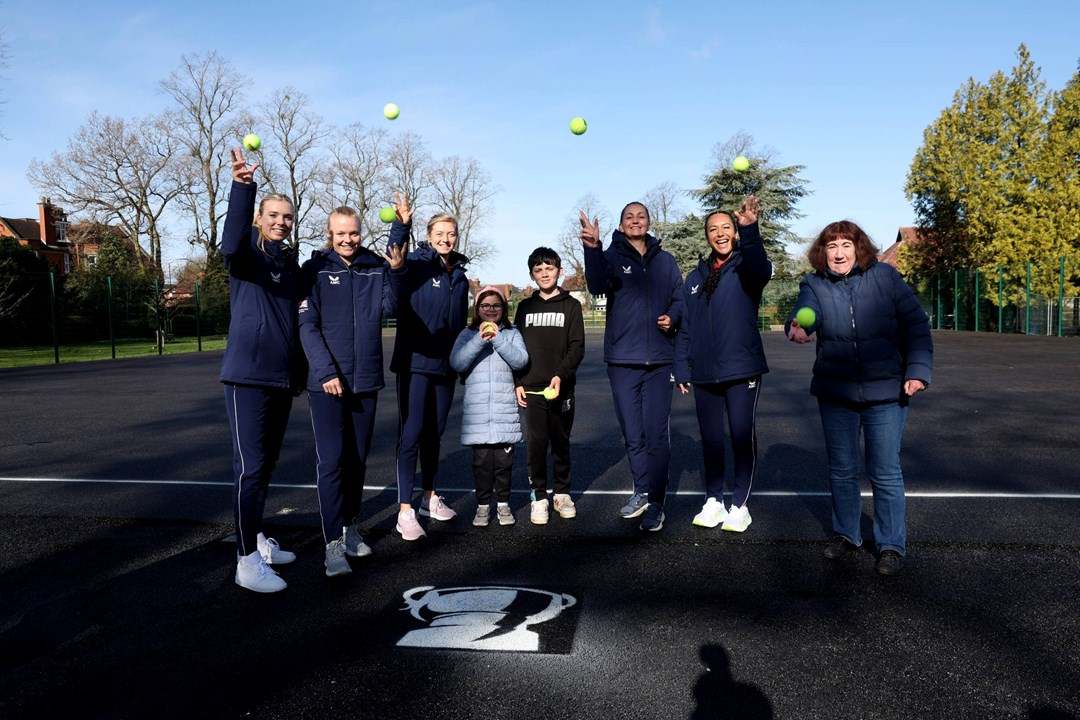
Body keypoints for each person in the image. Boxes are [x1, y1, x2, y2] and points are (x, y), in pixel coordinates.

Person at [786, 220, 932, 576]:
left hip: (886, 390)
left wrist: (917, 371)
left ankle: (891, 544)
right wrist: (800, 323)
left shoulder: (886, 278)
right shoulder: (814, 283)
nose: (839, 253)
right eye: (832, 246)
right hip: (836, 391)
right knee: (842, 470)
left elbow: (915, 325)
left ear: (859, 248)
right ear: (823, 252)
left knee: (885, 471)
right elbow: (808, 310)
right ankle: (847, 534)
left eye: (846, 245)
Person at [298, 207, 405, 577]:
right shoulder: (314, 270)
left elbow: (392, 305)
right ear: (329, 234)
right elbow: (307, 326)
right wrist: (325, 371)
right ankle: (331, 545)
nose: (347, 240)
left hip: (366, 381)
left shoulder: (375, 267)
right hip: (326, 383)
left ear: (361, 233)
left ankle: (349, 526)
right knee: (332, 463)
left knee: (357, 460)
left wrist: (398, 244)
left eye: (354, 233)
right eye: (340, 233)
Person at [220, 147, 304, 593]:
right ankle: (246, 561)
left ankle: (256, 539)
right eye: (273, 215)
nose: (280, 222)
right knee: (249, 469)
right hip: (246, 378)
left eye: (286, 217)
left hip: (279, 379)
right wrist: (242, 188)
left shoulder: (286, 263)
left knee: (265, 466)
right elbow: (230, 240)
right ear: (259, 218)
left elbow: (294, 321)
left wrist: (299, 372)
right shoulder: (246, 256)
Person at [580, 201, 684, 532]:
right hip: (622, 360)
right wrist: (592, 249)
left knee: (656, 435)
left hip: (660, 363)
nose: (635, 221)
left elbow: (681, 298)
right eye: (629, 217)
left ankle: (656, 502)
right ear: (622, 226)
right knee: (632, 433)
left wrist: (675, 317)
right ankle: (640, 490)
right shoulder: (610, 256)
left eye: (640, 216)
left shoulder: (666, 262)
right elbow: (596, 284)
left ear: (648, 223)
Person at [675, 196, 769, 533]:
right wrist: (682, 368)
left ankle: (739, 504)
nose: (720, 233)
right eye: (713, 229)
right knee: (711, 439)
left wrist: (750, 229)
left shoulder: (748, 266)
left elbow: (760, 265)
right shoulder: (694, 277)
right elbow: (686, 326)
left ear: (735, 232)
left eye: (726, 228)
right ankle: (713, 499)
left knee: (741, 437)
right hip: (703, 373)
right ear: (707, 236)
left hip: (741, 369)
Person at [387, 194, 470, 541]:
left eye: (451, 233)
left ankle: (429, 497)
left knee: (434, 435)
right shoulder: (417, 263)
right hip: (415, 362)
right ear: (429, 234)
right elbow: (395, 256)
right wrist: (400, 224)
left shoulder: (461, 276)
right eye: (439, 232)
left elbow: (460, 323)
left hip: (445, 366)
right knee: (411, 435)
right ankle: (405, 510)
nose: (446, 239)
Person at [513, 247, 586, 524]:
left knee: (561, 442)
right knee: (535, 445)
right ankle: (539, 497)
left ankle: (562, 494)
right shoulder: (525, 307)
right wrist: (517, 380)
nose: (544, 273)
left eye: (549, 268)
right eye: (538, 270)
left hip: (561, 388)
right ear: (532, 275)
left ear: (559, 271)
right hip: (532, 389)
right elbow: (515, 347)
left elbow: (577, 347)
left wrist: (561, 374)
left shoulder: (571, 305)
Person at [450, 286, 529, 527]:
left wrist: (498, 338)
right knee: (482, 465)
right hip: (478, 413)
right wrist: (478, 339)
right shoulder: (467, 334)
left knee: (504, 465)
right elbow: (457, 363)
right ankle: (483, 506)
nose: (491, 310)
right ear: (478, 309)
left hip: (504, 411)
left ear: (503, 309)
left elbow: (521, 360)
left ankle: (504, 505)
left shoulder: (512, 333)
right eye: (486, 306)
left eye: (496, 305)